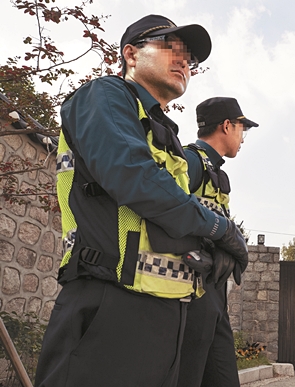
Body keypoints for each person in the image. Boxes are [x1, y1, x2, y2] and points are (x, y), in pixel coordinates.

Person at [35, 15, 248, 387]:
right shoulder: (104, 95)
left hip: (165, 314)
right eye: (171, 47)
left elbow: (173, 213)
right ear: (130, 55)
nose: (184, 61)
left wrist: (215, 250)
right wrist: (221, 229)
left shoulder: (163, 133)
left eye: (190, 58)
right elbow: (135, 179)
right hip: (109, 304)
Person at [178, 97, 259, 387]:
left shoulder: (215, 172)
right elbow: (163, 208)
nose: (242, 137)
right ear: (227, 126)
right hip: (190, 294)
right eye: (242, 128)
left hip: (214, 296)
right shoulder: (190, 161)